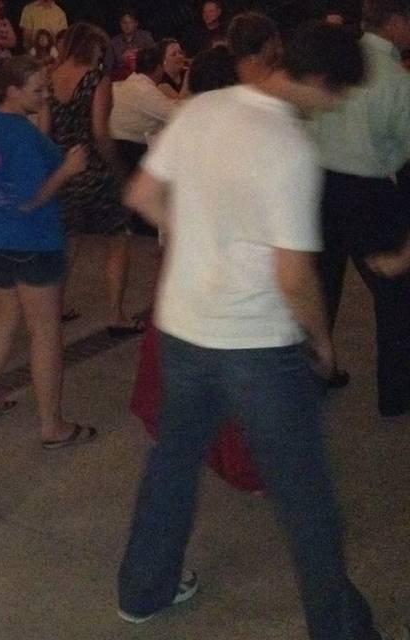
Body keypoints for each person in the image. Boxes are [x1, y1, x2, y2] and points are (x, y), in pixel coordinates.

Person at [114, 23, 401, 640]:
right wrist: (322, 343)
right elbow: (293, 273)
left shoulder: (205, 108)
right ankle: (341, 629)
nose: (339, 106)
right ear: (321, 83)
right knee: (306, 496)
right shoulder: (290, 148)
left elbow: (141, 192)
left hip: (184, 329)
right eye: (341, 96)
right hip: (257, 348)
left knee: (173, 462)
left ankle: (143, 590)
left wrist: (200, 250)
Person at [0, 55, 94, 448]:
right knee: (45, 331)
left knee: (5, 316)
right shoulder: (20, 134)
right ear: (13, 90)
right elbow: (31, 199)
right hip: (32, 241)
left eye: (47, 88)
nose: (46, 96)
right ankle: (51, 426)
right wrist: (68, 170)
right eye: (38, 90)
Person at [308, 0, 410, 416]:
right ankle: (396, 395)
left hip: (320, 186)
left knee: (321, 289)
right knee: (395, 295)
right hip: (370, 192)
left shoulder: (333, 61)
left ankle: (317, 375)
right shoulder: (396, 78)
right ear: (397, 22)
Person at [49, 23, 137, 332]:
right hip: (94, 169)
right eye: (100, 47)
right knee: (118, 238)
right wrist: (117, 167)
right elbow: (100, 131)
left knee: (68, 242)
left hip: (63, 169)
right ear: (90, 46)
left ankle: (54, 308)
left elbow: (46, 131)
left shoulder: (51, 78)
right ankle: (116, 313)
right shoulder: (96, 80)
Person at [109, 46, 177, 177]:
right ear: (159, 68)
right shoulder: (143, 89)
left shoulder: (132, 82)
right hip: (130, 154)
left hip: (121, 148)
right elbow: (176, 115)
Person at [227, 12, 282, 85]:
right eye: (276, 41)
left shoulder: (223, 89)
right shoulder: (285, 90)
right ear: (267, 46)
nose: (280, 49)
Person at [109, 8, 156, 81]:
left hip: (144, 78)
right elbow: (108, 66)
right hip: (122, 80)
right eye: (124, 22)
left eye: (130, 22)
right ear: (120, 24)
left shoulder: (146, 38)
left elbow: (155, 58)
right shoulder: (114, 42)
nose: (127, 26)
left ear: (136, 23)